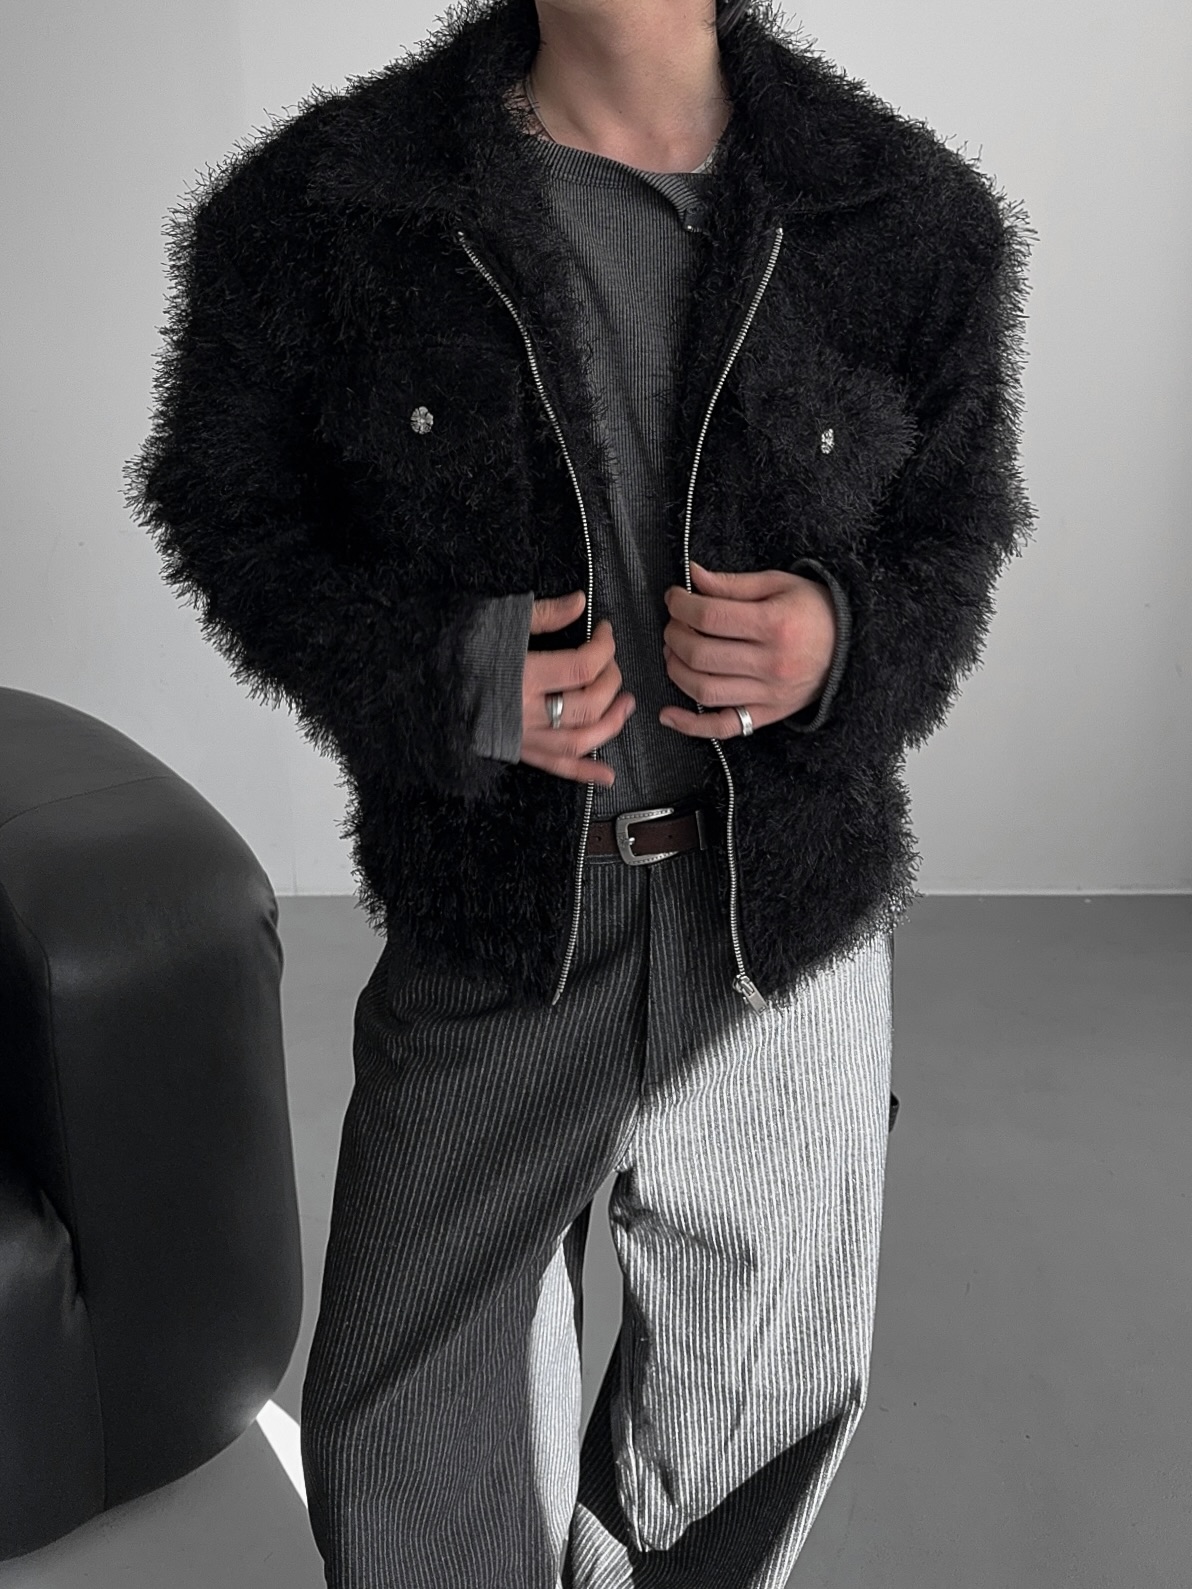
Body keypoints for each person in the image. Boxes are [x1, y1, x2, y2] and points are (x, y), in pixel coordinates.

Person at [128, 0, 1032, 1583]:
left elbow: (955, 536)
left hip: (783, 930)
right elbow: (227, 512)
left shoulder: (910, 215)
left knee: (752, 1414)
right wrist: (444, 671)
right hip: (506, 915)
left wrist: (838, 639)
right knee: (403, 1425)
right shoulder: (326, 207)